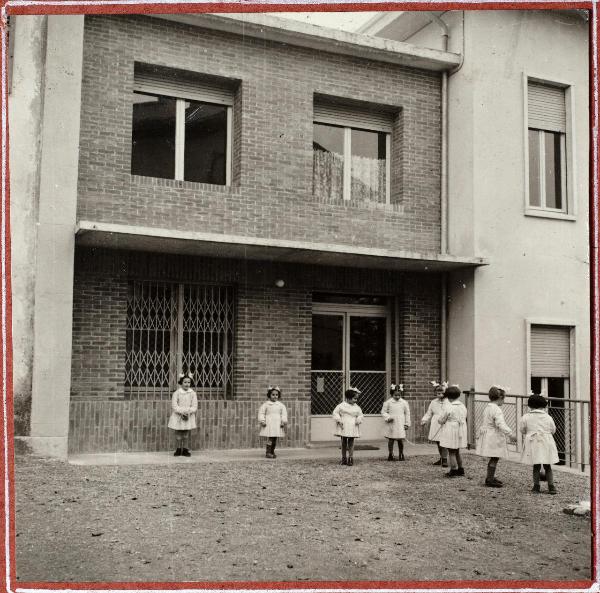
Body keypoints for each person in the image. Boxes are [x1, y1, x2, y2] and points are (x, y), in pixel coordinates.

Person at [476, 386, 517, 488]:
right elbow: (500, 424)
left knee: (494, 457)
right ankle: (489, 479)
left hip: (488, 434)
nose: (503, 402)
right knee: (495, 457)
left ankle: (490, 477)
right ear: (500, 398)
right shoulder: (497, 409)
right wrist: (510, 434)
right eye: (504, 399)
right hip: (493, 436)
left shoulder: (488, 407)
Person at [520, 394, 559, 494]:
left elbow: (522, 429)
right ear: (543, 405)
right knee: (547, 465)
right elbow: (553, 430)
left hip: (533, 442)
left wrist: (529, 433)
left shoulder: (526, 417)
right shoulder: (548, 417)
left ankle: (536, 486)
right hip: (546, 441)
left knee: (536, 465)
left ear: (530, 406)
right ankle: (551, 486)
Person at [437, 385, 467, 477]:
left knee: (451, 451)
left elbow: (441, 419)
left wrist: (441, 421)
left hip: (451, 429)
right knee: (457, 450)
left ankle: (453, 470)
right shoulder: (462, 406)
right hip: (460, 429)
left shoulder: (448, 407)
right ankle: (461, 469)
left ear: (448, 396)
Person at [167, 373, 198, 457]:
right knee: (178, 434)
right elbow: (174, 405)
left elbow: (194, 406)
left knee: (186, 434)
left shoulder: (193, 393)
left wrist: (188, 412)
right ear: (181, 383)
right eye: (185, 382)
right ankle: (178, 449)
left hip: (188, 415)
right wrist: (181, 412)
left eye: (188, 382)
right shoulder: (177, 393)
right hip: (178, 416)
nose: (187, 384)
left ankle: (185, 449)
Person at [332, 387, 363, 466]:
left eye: (356, 399)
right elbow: (335, 413)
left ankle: (351, 457)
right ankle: (343, 458)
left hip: (352, 424)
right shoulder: (341, 405)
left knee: (351, 441)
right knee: (343, 442)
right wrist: (339, 420)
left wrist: (358, 419)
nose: (356, 400)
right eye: (354, 399)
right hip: (344, 425)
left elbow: (360, 414)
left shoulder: (357, 407)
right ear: (348, 398)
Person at [421, 381, 449, 466]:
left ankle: (445, 459)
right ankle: (441, 458)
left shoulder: (448, 402)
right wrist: (424, 420)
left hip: (445, 423)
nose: (440, 395)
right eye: (438, 393)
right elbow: (429, 413)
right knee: (438, 442)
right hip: (435, 422)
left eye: (442, 393)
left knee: (443, 441)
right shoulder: (433, 402)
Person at [381, 383, 411, 461]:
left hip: (401, 422)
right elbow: (383, 412)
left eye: (399, 395)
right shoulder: (388, 402)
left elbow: (407, 413)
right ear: (392, 394)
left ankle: (401, 453)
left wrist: (407, 423)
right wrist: (388, 417)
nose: (397, 397)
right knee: (391, 439)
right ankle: (391, 454)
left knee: (400, 439)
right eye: (395, 395)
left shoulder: (404, 402)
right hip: (392, 422)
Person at [258, 386, 288, 459]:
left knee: (274, 438)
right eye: (273, 395)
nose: (275, 396)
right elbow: (261, 413)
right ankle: (268, 452)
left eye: (276, 395)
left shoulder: (281, 405)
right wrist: (262, 421)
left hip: (277, 423)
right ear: (269, 395)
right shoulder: (266, 404)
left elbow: (284, 414)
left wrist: (283, 422)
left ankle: (272, 451)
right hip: (269, 423)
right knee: (270, 438)